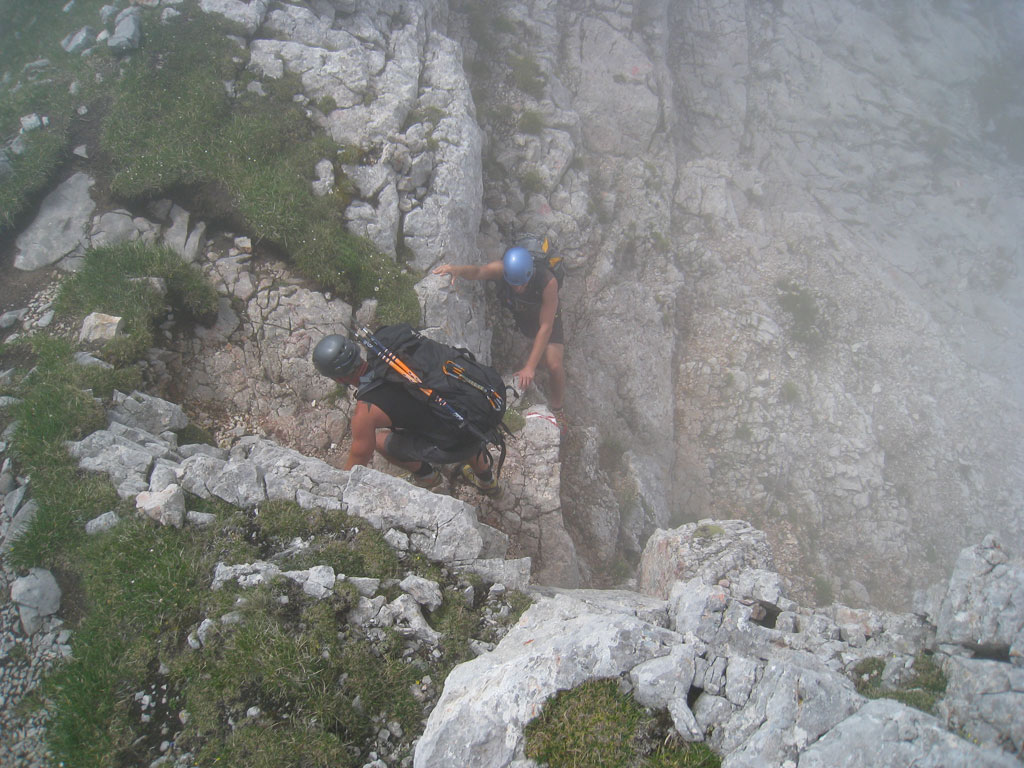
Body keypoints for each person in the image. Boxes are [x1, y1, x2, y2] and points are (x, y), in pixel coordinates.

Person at [312, 333, 500, 495]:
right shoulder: (394, 356)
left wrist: (336, 492)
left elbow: (358, 459)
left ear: (338, 378)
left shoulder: (365, 413)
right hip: (474, 422)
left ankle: (427, 477)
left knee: (378, 440)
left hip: (454, 444)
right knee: (453, 417)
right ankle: (487, 482)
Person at [433, 244, 565, 420]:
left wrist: (529, 368)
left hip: (545, 316)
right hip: (522, 314)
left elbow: (546, 327)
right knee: (538, 354)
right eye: (514, 284)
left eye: (523, 284)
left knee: (554, 364)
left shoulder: (547, 281)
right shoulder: (502, 269)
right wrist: (457, 270)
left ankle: (558, 408)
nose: (518, 288)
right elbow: (478, 272)